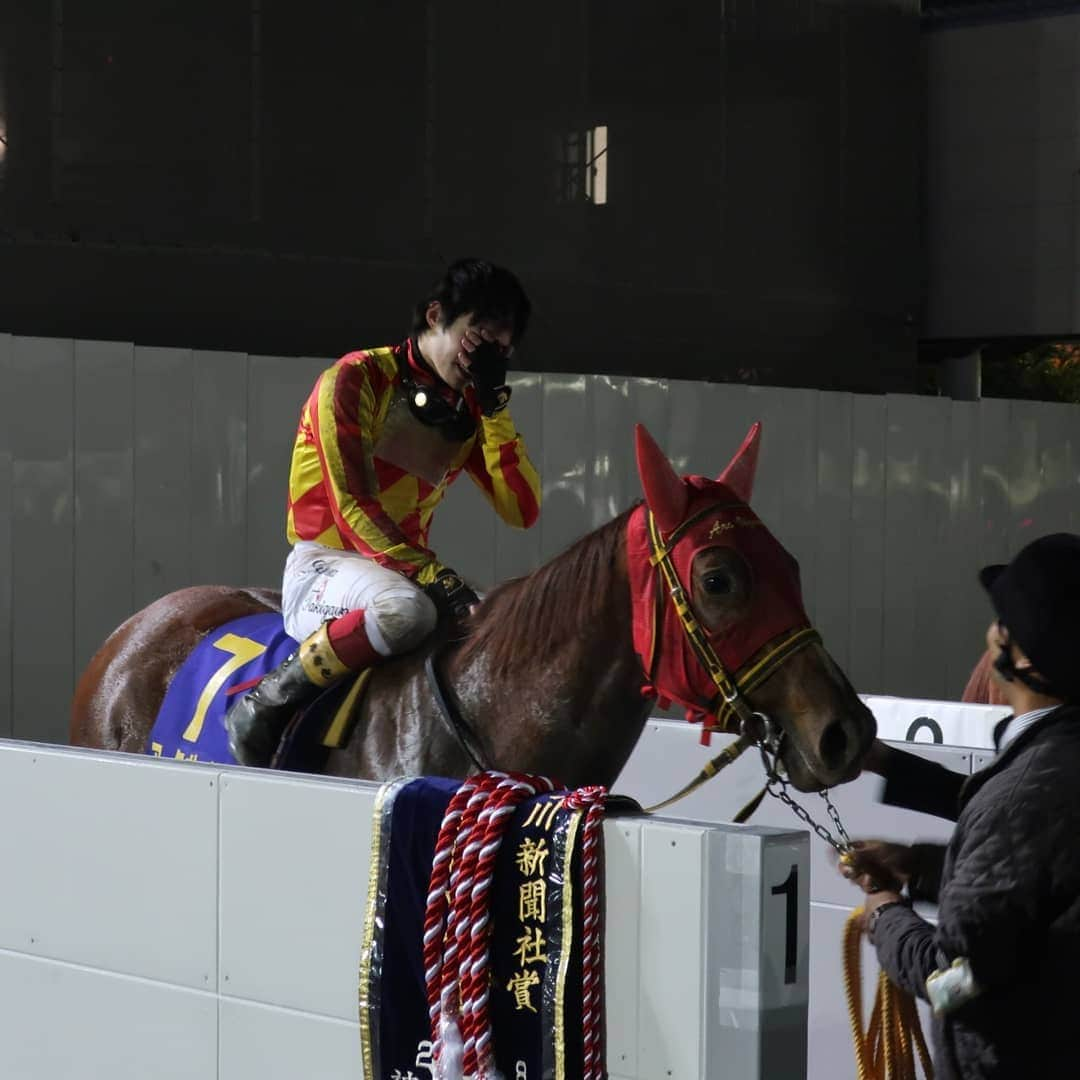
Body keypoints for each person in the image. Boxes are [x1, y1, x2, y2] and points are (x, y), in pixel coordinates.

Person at [225, 259, 541, 766]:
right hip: (324, 565)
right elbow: (352, 504)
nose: (479, 360)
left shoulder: (473, 411)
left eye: (498, 353)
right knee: (406, 611)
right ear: (435, 316)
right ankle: (264, 704)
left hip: (402, 572)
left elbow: (522, 508)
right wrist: (433, 575)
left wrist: (496, 407)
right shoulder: (354, 378)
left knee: (502, 626)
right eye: (474, 341)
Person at [841, 533, 1080, 1078]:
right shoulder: (1053, 765)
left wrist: (885, 914)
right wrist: (921, 866)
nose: (991, 631)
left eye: (1004, 621)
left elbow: (953, 981)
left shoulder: (1024, 795)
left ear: (1020, 657)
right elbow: (1035, 888)